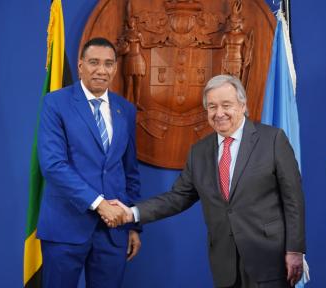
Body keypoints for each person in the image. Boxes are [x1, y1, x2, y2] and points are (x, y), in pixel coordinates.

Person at [111, 74, 305, 288]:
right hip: (225, 263)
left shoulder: (273, 139)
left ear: (242, 105)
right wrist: (131, 213)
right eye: (212, 107)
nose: (219, 113)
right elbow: (177, 198)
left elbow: (293, 199)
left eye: (226, 105)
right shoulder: (199, 152)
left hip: (270, 259)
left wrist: (295, 250)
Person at [37, 37, 141, 288]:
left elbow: (130, 172)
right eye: (94, 62)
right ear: (80, 65)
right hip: (66, 226)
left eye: (108, 64)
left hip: (114, 231)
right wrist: (99, 204)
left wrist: (134, 225)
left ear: (115, 68)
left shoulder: (125, 110)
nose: (101, 70)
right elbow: (53, 165)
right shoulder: (56, 102)